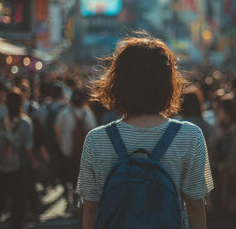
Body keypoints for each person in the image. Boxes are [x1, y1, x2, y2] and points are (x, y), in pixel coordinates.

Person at [76, 33, 214, 229]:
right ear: (169, 84)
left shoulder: (96, 139)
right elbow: (195, 205)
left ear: (117, 83)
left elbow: (90, 207)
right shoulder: (190, 136)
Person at [0, 88, 34, 229]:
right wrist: (34, 161)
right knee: (18, 200)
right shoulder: (25, 123)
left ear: (6, 104)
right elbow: (28, 147)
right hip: (18, 167)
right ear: (21, 103)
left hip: (1, 165)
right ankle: (15, 225)